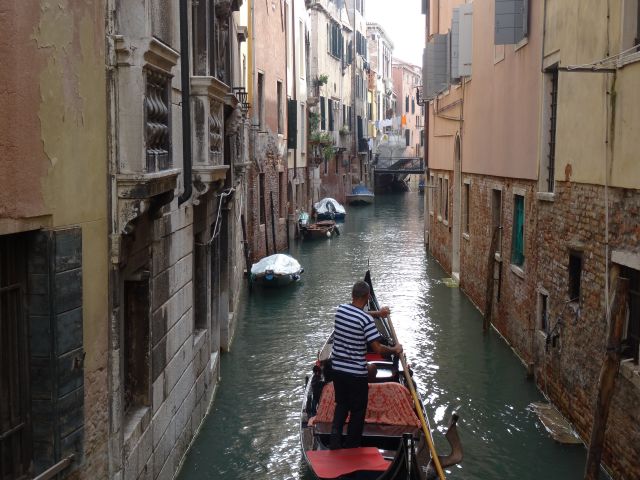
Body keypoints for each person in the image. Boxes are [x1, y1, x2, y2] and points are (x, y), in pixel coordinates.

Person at [330, 280, 403, 449]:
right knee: (358, 411)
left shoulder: (340, 310)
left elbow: (358, 313)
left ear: (352, 294)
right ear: (368, 296)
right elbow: (378, 349)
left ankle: (334, 442)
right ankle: (351, 446)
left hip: (337, 370)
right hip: (356, 374)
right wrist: (395, 349)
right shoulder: (366, 320)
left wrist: (378, 313)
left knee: (342, 404)